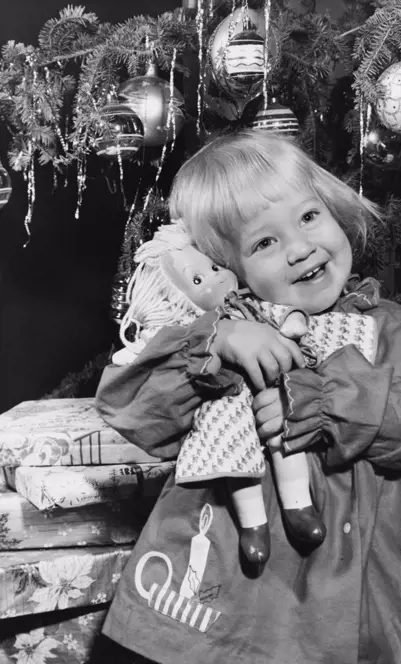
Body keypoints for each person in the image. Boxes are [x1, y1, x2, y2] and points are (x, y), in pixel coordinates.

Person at [95, 129, 401, 664]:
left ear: (334, 209)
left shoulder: (396, 331)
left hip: (376, 574)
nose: (300, 248)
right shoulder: (232, 332)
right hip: (242, 581)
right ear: (228, 268)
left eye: (307, 218)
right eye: (263, 243)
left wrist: (325, 399)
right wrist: (215, 341)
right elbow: (130, 406)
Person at [113, 221, 378, 565]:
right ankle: (254, 526)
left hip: (276, 388)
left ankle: (300, 507)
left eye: (214, 267)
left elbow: (282, 317)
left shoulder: (251, 305)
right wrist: (212, 337)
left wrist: (292, 321)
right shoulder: (190, 334)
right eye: (196, 280)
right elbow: (136, 378)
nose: (214, 278)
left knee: (286, 432)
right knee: (233, 457)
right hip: (225, 407)